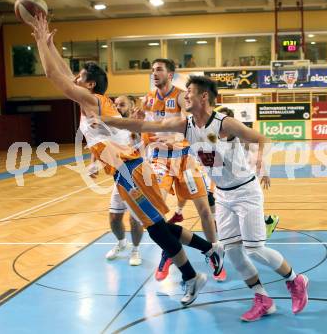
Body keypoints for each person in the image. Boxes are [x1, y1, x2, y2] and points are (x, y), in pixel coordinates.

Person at [30, 15, 225, 306]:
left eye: (80, 77)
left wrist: (38, 43)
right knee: (157, 225)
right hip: (124, 172)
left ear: (90, 84)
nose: (75, 79)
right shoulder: (92, 100)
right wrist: (49, 43)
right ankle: (208, 250)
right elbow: (63, 73)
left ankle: (190, 275)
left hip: (132, 170)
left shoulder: (93, 101)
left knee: (157, 229)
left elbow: (52, 76)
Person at [102, 75, 309, 321]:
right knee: (232, 253)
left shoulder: (225, 124)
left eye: (189, 92)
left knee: (254, 250)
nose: (185, 96)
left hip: (245, 192)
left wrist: (262, 161)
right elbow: (147, 127)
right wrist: (105, 120)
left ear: (203, 97)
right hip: (222, 195)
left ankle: (295, 280)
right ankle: (262, 299)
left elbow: (261, 138)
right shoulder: (186, 124)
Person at [141, 58, 225, 282]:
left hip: (185, 159)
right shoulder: (147, 100)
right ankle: (168, 252)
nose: (154, 73)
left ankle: (215, 253)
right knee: (156, 214)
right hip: (160, 160)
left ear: (170, 75)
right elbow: (143, 127)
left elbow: (196, 115)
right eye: (152, 70)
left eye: (159, 69)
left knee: (205, 210)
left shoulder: (180, 95)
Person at [215, 106, 279, 239]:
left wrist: (265, 172)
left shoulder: (239, 137)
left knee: (244, 210)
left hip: (244, 178)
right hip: (226, 180)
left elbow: (258, 149)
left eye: (224, 118)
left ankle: (267, 221)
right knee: (236, 211)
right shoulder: (213, 135)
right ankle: (266, 220)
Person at [105, 95, 144, 266]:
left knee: (134, 219)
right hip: (120, 177)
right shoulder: (113, 127)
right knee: (114, 219)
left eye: (122, 104)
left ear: (130, 106)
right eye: (116, 104)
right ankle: (122, 243)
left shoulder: (138, 123)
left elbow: (143, 138)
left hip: (137, 178)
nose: (118, 107)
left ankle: (135, 250)